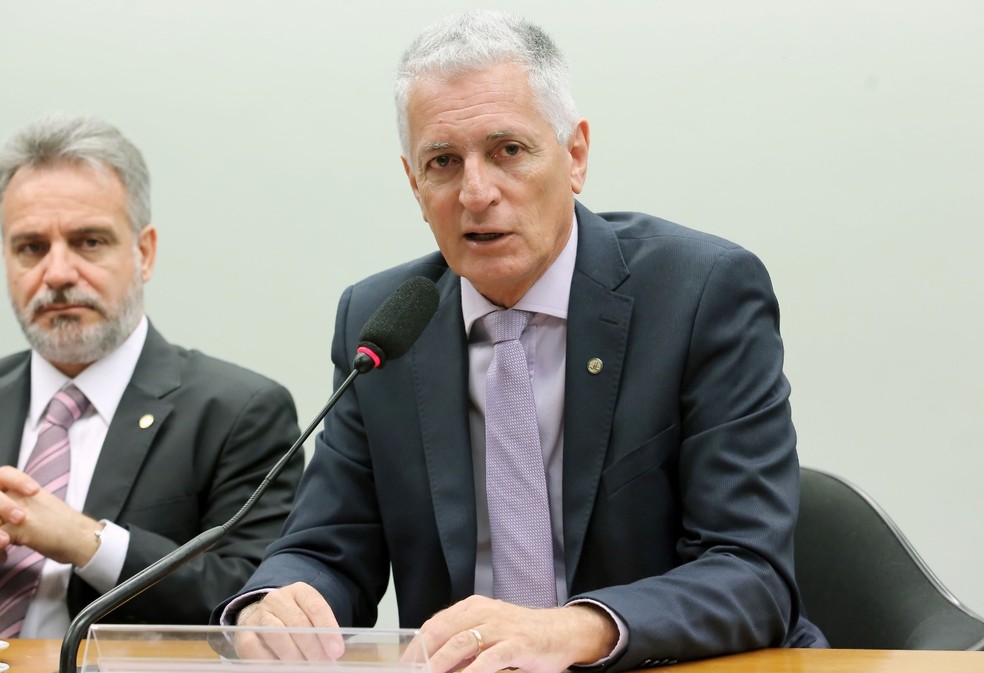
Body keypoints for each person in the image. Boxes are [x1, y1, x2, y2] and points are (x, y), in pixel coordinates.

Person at [217, 9, 828, 671]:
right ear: (414, 186)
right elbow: (326, 549)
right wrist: (275, 602)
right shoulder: (385, 323)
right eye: (443, 163)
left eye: (508, 150)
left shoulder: (700, 294)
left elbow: (751, 572)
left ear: (575, 156)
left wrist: (577, 629)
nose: (477, 193)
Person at [0, 114, 304, 639]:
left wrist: (88, 542)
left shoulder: (239, 412)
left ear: (144, 253)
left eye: (89, 242)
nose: (57, 274)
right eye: (31, 248)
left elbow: (253, 601)